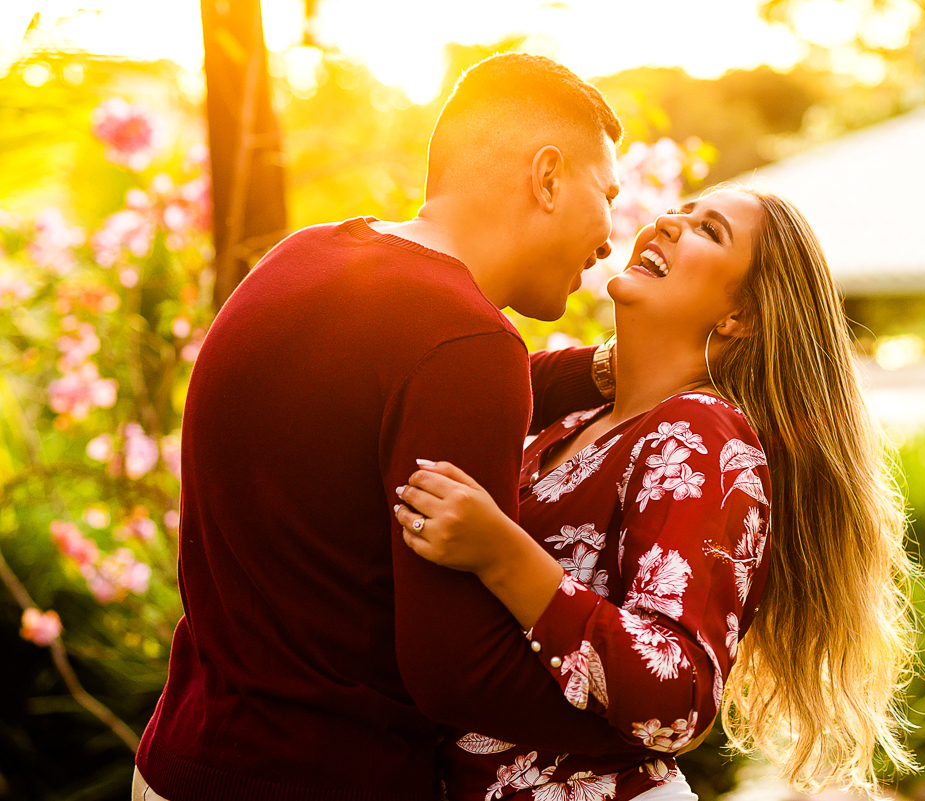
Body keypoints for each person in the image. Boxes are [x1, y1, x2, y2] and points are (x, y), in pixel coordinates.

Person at [134, 54, 654, 801]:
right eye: (606, 194)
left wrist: (603, 370)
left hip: (184, 758)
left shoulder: (309, 256)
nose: (609, 241)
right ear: (546, 178)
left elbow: (404, 394)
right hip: (320, 781)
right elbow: (459, 671)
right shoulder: (464, 345)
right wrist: (644, 725)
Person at [395, 189, 921, 799]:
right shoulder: (577, 425)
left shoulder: (701, 433)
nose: (668, 222)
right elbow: (472, 376)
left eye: (709, 230)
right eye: (681, 210)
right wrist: (612, 368)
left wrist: (501, 554)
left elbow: (678, 693)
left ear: (741, 317)